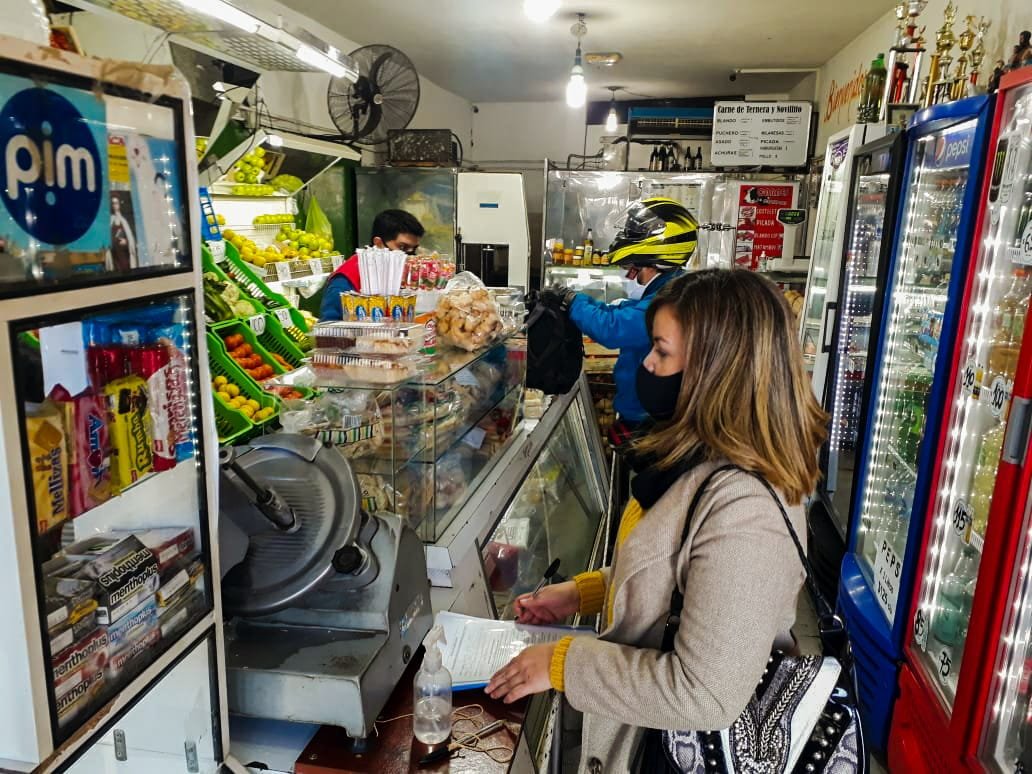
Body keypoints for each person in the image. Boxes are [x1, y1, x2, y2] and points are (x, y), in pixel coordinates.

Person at [486, 269, 828, 773]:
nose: (647, 363)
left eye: (662, 351)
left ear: (717, 368)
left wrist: (561, 663)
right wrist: (582, 593)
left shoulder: (746, 509)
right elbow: (681, 575)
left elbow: (706, 694)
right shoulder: (700, 458)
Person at [544, 197, 699, 441]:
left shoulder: (669, 305)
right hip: (644, 413)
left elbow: (613, 328)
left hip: (649, 420)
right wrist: (582, 301)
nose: (629, 277)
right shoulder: (667, 290)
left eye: (635, 270)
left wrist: (573, 302)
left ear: (658, 264)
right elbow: (619, 312)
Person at [319, 209, 425, 321]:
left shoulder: (402, 275)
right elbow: (328, 330)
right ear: (378, 243)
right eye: (402, 248)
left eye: (413, 250)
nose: (408, 256)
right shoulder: (344, 281)